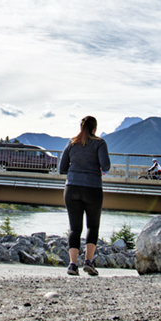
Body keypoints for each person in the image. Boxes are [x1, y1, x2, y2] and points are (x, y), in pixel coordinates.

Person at [58, 116, 110, 276]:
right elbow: (106, 167)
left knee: (75, 228)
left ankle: (72, 265)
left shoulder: (71, 143)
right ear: (95, 128)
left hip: (72, 187)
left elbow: (62, 169)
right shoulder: (100, 143)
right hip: (92, 188)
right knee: (92, 226)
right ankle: (88, 262)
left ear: (81, 127)